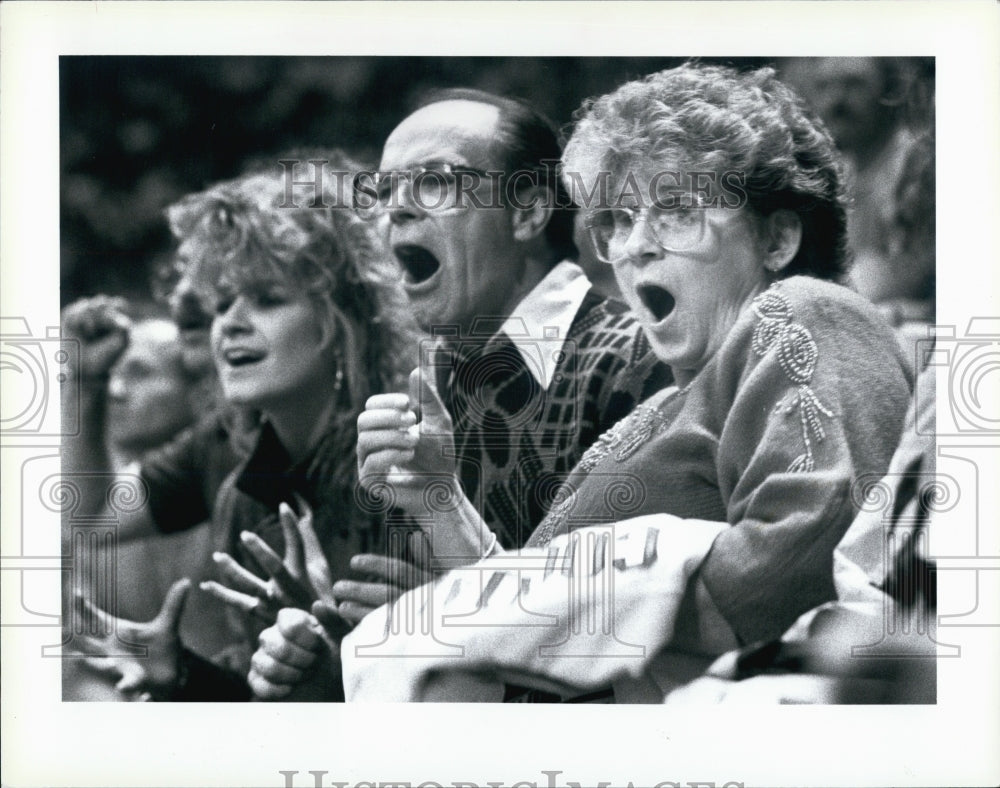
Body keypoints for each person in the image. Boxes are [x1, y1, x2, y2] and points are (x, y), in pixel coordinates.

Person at [305, 63, 916, 703]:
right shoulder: (664, 402)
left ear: (778, 237)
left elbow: (808, 552)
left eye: (676, 209)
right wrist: (440, 500)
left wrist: (605, 603)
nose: (634, 247)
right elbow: (533, 635)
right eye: (618, 220)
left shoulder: (806, 310)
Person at [72, 153, 417, 700]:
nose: (229, 322)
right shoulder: (242, 488)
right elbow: (262, 702)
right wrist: (179, 673)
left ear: (341, 320)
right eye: (224, 300)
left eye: (267, 299)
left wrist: (339, 655)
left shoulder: (408, 459)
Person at [352, 88, 671, 557]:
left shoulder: (638, 360)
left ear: (528, 212)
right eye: (383, 190)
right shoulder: (423, 391)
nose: (396, 209)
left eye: (435, 182)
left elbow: (613, 614)